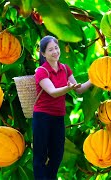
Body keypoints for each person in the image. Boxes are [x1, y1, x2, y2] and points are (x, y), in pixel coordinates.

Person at [32, 35, 92, 180]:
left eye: (56, 48)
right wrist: (67, 88)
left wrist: (94, 79)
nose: (55, 52)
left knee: (57, 153)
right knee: (40, 155)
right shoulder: (42, 71)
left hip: (58, 116)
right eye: (50, 50)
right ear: (43, 54)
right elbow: (52, 92)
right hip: (42, 116)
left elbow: (79, 90)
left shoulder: (65, 69)